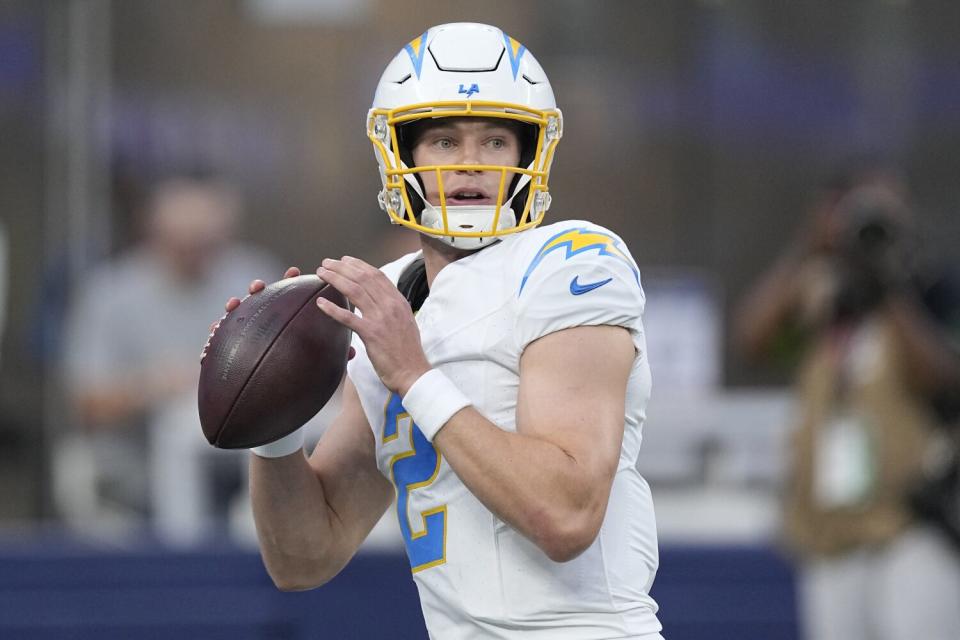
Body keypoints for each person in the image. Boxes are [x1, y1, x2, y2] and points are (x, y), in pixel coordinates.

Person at [216, 23, 663, 639]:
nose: (471, 163)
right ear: (402, 156)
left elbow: (566, 514)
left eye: (496, 140)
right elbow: (304, 557)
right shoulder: (393, 293)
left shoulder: (571, 261)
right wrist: (274, 412)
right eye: (446, 141)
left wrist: (415, 375)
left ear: (529, 153)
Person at [734, 162, 960, 640]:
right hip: (831, 531)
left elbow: (940, 378)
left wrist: (889, 281)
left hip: (912, 527)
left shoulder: (930, 287)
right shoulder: (822, 288)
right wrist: (808, 245)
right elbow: (752, 342)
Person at [60, 173, 281, 543]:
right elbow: (85, 405)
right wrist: (151, 386)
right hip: (137, 477)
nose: (196, 253)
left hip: (239, 470)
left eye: (207, 242)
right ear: (154, 231)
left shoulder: (252, 276)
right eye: (183, 242)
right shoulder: (111, 294)